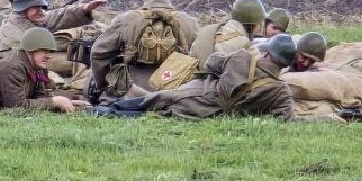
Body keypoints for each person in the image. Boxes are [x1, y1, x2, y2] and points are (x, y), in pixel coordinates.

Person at [98, 33, 297, 120]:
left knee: (154, 101)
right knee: (161, 112)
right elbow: (286, 118)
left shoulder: (242, 57)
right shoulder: (280, 91)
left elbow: (211, 62)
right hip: (210, 114)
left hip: (195, 93)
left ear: (267, 53)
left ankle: (100, 112)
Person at [86, 0, 198, 105]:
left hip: (132, 92)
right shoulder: (190, 22)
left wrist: (103, 85)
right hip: (177, 92)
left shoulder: (126, 19)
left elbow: (98, 53)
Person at [0, 0, 99, 64]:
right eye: (36, 7)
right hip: (13, 70)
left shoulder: (32, 19)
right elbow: (21, 62)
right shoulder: (13, 31)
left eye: (41, 7)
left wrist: (83, 9)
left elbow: (57, 16)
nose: (40, 11)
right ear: (23, 9)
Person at [0, 29, 80, 113]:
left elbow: (40, 98)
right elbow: (16, 107)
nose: (48, 56)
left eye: (50, 51)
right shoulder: (13, 68)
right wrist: (54, 102)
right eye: (44, 51)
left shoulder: (36, 67)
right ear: (29, 51)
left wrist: (70, 100)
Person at [189, 0, 267, 66]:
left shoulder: (205, 32)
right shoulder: (244, 44)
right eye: (259, 24)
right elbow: (262, 68)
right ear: (254, 24)